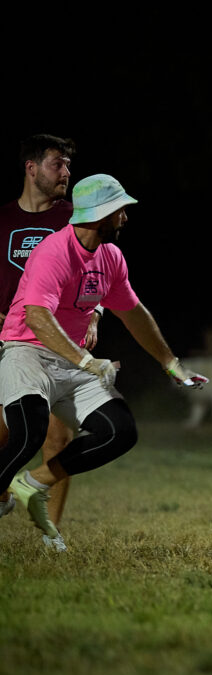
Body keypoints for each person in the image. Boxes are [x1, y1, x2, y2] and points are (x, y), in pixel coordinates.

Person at [0, 173, 207, 551]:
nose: (125, 218)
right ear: (98, 215)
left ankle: (32, 484)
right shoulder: (53, 252)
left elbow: (133, 314)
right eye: (119, 211)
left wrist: (172, 364)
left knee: (120, 431)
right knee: (29, 431)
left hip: (74, 361)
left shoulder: (110, 257)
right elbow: (37, 318)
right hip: (27, 351)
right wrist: (87, 360)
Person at [0, 134, 102, 532]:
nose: (66, 173)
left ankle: (50, 536)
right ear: (31, 168)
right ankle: (4, 494)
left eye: (68, 166)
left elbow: (100, 272)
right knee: (6, 435)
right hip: (9, 340)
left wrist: (94, 315)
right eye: (57, 164)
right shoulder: (3, 220)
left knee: (57, 440)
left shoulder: (75, 219)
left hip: (57, 340)